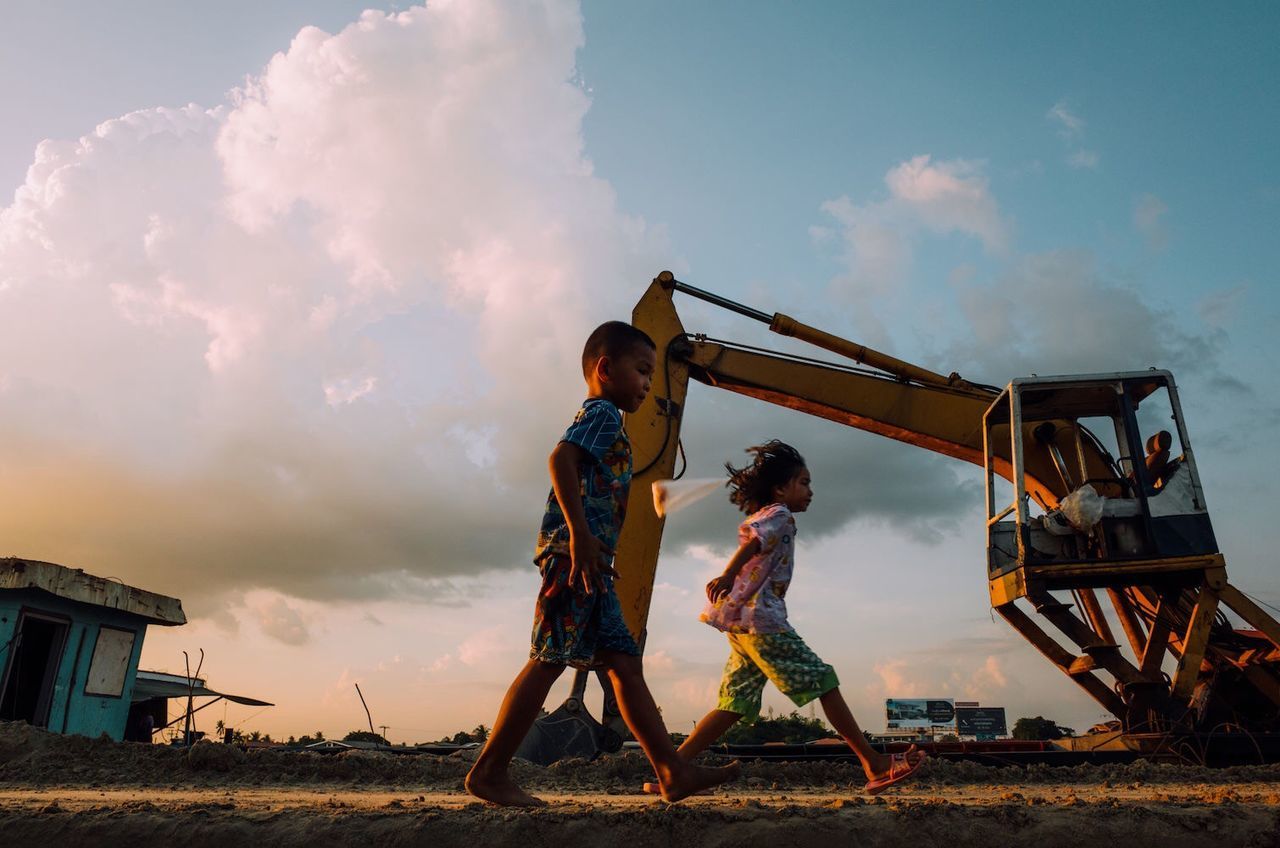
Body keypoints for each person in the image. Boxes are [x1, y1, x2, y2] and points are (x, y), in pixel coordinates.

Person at [465, 321, 740, 806]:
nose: (649, 384)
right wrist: (580, 536)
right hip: (575, 559)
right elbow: (560, 460)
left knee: (625, 666)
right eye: (642, 372)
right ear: (606, 369)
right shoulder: (604, 414)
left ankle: (672, 771)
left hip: (592, 564)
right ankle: (488, 773)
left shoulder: (607, 417)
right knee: (549, 659)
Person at [645, 440, 925, 796]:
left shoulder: (766, 515)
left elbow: (753, 540)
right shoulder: (778, 515)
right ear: (781, 488)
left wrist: (731, 579)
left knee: (733, 703)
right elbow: (753, 543)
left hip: (742, 625)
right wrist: (729, 574)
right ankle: (873, 763)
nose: (810, 491)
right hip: (764, 623)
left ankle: (670, 771)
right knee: (823, 679)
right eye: (804, 483)